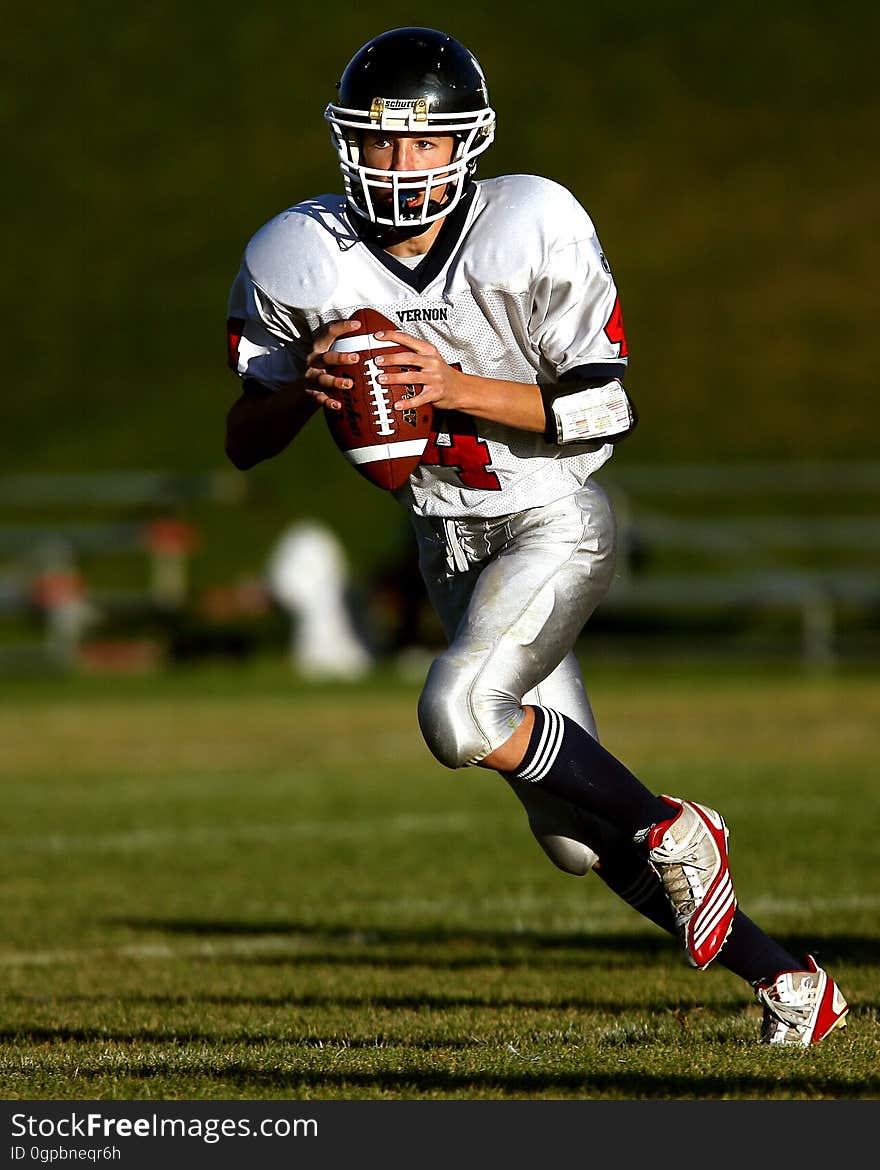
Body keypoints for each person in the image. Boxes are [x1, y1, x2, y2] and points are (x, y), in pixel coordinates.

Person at [224, 26, 848, 1046]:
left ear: (465, 143)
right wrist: (304, 383)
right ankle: (789, 983)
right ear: (346, 146)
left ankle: (668, 824)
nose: (399, 164)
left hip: (552, 519)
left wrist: (450, 386)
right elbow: (244, 439)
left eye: (423, 143)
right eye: (379, 143)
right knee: (568, 839)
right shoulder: (297, 254)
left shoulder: (531, 219)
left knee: (460, 713)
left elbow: (607, 408)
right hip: (447, 545)